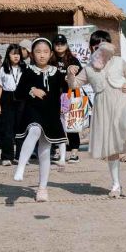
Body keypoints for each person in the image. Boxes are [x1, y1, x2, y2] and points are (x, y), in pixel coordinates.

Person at [67, 30, 126, 198]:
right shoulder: (88, 68)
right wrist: (70, 74)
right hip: (104, 107)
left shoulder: (118, 61)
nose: (99, 49)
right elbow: (74, 85)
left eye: (103, 45)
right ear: (91, 48)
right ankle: (116, 185)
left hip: (123, 98)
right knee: (111, 148)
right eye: (95, 46)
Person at [13, 38, 68, 202]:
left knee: (45, 152)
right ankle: (21, 166)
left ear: (50, 54)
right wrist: (32, 90)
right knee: (35, 129)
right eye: (38, 52)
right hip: (33, 111)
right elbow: (18, 93)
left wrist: (71, 75)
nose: (42, 55)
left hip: (51, 114)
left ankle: (42, 188)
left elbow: (66, 88)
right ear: (32, 54)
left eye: (45, 52)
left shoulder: (56, 72)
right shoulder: (28, 71)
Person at [52, 34, 82, 165]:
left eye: (62, 43)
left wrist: (71, 77)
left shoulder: (73, 60)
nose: (59, 46)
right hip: (54, 96)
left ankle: (74, 152)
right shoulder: (49, 59)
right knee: (56, 123)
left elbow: (81, 76)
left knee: (72, 122)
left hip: (70, 95)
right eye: (57, 43)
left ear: (66, 45)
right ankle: (57, 150)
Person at [0, 45, 24, 167]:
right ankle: (7, 157)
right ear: (8, 55)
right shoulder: (3, 69)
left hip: (22, 98)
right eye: (13, 53)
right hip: (7, 98)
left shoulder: (25, 68)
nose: (16, 56)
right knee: (7, 129)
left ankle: (20, 156)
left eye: (18, 53)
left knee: (21, 129)